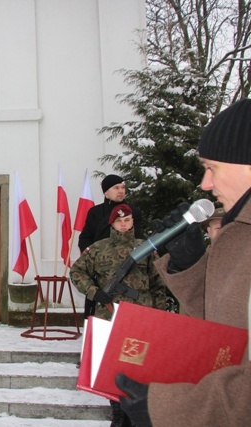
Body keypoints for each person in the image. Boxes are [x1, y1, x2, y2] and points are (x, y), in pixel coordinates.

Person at [116, 99, 251, 426]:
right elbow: (227, 335)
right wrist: (189, 265)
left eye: (212, 167)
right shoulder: (240, 232)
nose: (206, 184)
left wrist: (169, 407)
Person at [71, 203, 167, 427]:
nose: (123, 225)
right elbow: (76, 271)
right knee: (113, 367)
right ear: (111, 224)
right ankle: (117, 413)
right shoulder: (98, 249)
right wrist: (96, 293)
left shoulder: (145, 248)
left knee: (140, 366)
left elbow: (158, 284)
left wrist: (160, 316)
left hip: (142, 316)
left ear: (133, 222)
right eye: (119, 221)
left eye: (127, 220)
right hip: (110, 315)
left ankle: (137, 413)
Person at [77, 174, 144, 318]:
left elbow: (137, 239)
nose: (121, 191)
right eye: (116, 188)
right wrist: (92, 257)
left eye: (123, 187)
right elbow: (85, 238)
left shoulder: (133, 212)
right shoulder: (95, 212)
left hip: (128, 269)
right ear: (106, 192)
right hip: (101, 270)